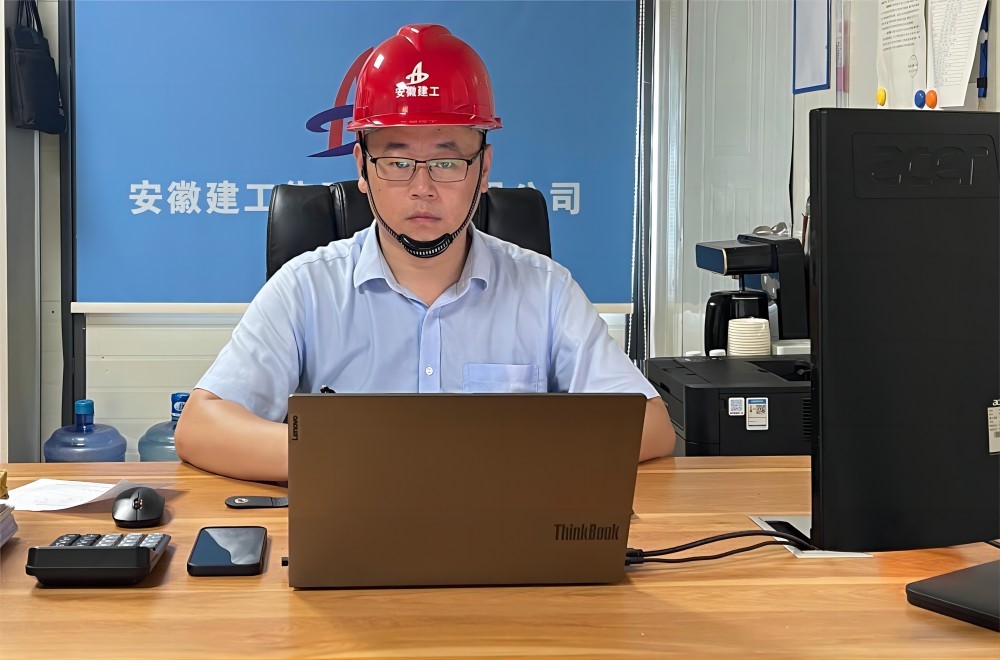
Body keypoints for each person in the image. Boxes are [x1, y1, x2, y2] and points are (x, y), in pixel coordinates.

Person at [175, 24, 675, 481]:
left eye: (446, 161)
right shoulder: (306, 287)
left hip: (502, 530)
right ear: (362, 169)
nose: (422, 187)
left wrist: (494, 454)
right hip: (353, 527)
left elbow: (651, 425)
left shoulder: (544, 289)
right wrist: (361, 458)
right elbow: (202, 426)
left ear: (483, 170)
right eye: (396, 162)